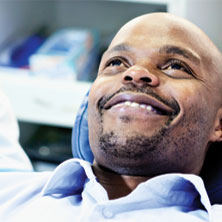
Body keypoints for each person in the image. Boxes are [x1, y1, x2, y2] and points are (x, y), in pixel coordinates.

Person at [0, 12, 222, 221]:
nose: (134, 73)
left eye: (175, 66)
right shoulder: (9, 192)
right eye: (116, 62)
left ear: (218, 123)